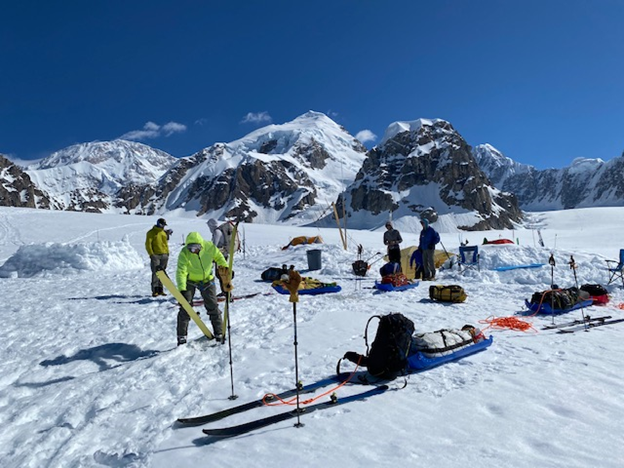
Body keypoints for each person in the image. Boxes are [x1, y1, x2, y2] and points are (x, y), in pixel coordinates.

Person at [176, 231, 230, 345]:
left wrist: (225, 268)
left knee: (212, 306)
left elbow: (219, 258)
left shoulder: (209, 247)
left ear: (201, 245)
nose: (193, 250)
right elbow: (181, 271)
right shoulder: (184, 252)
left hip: (207, 280)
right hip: (190, 281)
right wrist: (182, 289)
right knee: (185, 307)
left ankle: (219, 332)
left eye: (196, 247)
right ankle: (181, 336)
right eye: (191, 248)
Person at [145, 218, 171, 297]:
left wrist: (167, 253)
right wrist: (151, 254)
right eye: (162, 225)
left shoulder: (163, 233)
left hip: (164, 255)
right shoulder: (151, 232)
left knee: (162, 273)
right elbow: (148, 244)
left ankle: (160, 290)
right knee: (156, 273)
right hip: (155, 255)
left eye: (164, 225)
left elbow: (165, 243)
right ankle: (155, 290)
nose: (163, 226)